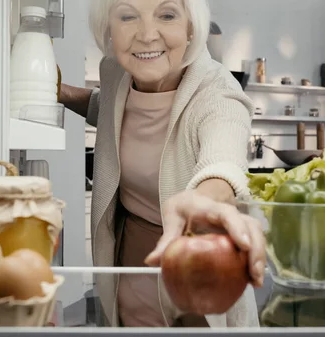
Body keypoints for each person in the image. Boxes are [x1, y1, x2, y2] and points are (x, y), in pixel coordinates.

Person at [59, 0, 266, 328]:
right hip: (131, 254)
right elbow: (115, 111)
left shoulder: (217, 90)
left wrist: (204, 199)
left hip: (201, 264)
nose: (146, 34)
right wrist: (63, 93)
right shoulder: (115, 73)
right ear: (109, 30)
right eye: (128, 16)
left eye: (167, 14)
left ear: (190, 27)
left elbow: (224, 156)